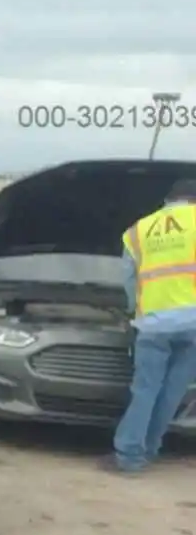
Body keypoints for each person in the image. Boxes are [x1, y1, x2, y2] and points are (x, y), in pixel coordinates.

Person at [108, 177, 196, 473]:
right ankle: (150, 449)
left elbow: (129, 280)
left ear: (168, 201)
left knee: (146, 390)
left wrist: (134, 311)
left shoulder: (138, 231)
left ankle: (130, 456)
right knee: (172, 392)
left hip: (154, 324)